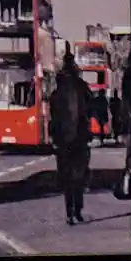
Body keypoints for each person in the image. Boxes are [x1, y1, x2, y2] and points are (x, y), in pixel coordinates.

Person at [46, 50, 96, 227]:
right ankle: (78, 210)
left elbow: (52, 116)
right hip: (80, 138)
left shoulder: (56, 94)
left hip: (62, 140)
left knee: (67, 178)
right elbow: (92, 106)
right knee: (79, 176)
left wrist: (54, 137)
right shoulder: (82, 87)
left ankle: (69, 213)